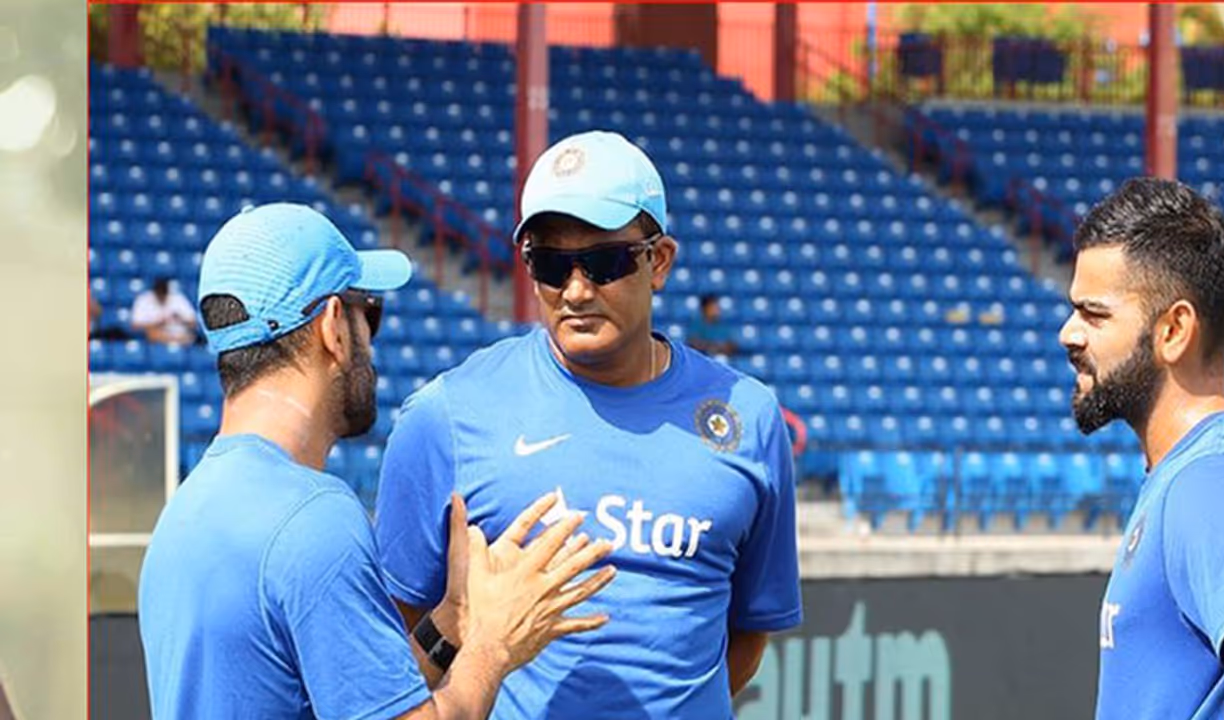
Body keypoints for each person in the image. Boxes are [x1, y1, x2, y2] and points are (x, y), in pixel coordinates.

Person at [375, 130, 803, 718]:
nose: (575, 291)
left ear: (659, 262)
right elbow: (392, 652)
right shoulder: (445, 415)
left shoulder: (748, 417)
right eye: (550, 265)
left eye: (604, 263)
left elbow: (747, 635)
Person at [137, 203, 617, 720]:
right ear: (333, 327)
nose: (370, 340)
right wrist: (494, 644)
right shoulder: (313, 519)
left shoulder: (186, 510)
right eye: (370, 314)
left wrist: (452, 620)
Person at [1059, 178, 1224, 720]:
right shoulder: (1190, 472)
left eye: (1094, 314)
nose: (1068, 333)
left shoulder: (1214, 479)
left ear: (1174, 330)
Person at [130, 276, 199, 345]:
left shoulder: (178, 298)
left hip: (179, 333)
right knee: (152, 333)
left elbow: (194, 324)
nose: (162, 296)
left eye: (164, 293)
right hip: (156, 337)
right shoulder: (143, 299)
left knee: (190, 336)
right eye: (159, 293)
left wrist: (180, 318)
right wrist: (159, 323)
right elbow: (135, 326)